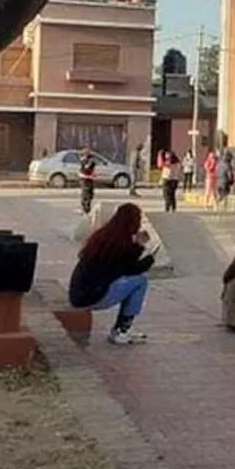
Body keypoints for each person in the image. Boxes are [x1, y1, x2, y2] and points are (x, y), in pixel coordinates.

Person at [68, 203, 156, 345]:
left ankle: (122, 328)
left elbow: (120, 268)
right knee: (141, 280)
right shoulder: (121, 243)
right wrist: (144, 251)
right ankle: (122, 329)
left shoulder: (105, 235)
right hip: (92, 296)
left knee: (131, 281)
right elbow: (131, 269)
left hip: (79, 293)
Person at [78, 148, 98, 214]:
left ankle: (86, 208)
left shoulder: (91, 160)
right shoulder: (84, 161)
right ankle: (86, 209)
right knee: (86, 194)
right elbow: (83, 171)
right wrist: (90, 176)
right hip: (85, 180)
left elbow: (91, 169)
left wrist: (93, 174)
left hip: (89, 179)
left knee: (90, 194)